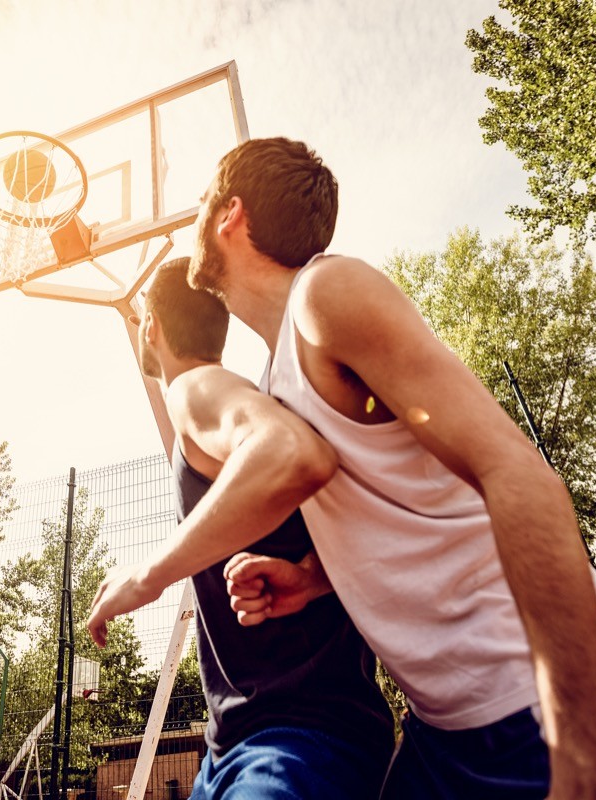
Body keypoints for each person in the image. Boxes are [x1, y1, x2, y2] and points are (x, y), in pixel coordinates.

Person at [88, 138, 596, 799]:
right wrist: (314, 578)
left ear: (230, 215)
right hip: (444, 735)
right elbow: (407, 499)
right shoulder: (277, 379)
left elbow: (516, 474)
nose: (189, 219)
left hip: (554, 703)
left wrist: (587, 732)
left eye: (199, 203)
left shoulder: (325, 294)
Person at [110, 257, 394, 799]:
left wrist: (148, 574)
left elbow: (287, 449)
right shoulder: (215, 407)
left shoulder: (197, 388)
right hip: (238, 742)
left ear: (151, 326)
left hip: (299, 737)